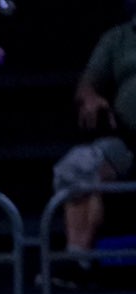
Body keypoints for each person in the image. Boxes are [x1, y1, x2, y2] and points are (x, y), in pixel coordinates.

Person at [53, 12, 136, 269]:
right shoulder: (119, 38)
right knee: (77, 166)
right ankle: (78, 262)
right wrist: (90, 98)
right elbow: (87, 84)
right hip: (128, 140)